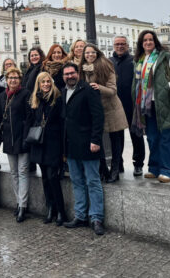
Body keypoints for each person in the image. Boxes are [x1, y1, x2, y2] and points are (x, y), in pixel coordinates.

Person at [131, 30, 170, 184]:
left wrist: (166, 87)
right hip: (147, 106)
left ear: (155, 42)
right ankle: (154, 168)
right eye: (145, 40)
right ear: (141, 44)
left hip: (165, 103)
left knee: (167, 139)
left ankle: (168, 170)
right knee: (152, 138)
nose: (148, 42)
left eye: (150, 39)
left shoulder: (165, 57)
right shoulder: (140, 60)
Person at [61, 62, 106, 235]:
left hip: (88, 144)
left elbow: (98, 116)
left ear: (77, 73)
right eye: (66, 74)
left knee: (93, 182)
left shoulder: (89, 90)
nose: (69, 76)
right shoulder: (63, 92)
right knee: (77, 182)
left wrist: (96, 140)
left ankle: (96, 218)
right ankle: (80, 216)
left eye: (72, 73)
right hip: (71, 146)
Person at [81, 44, 128, 183]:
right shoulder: (82, 69)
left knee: (115, 140)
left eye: (92, 52)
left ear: (97, 53)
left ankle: (115, 169)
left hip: (111, 108)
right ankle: (103, 169)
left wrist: (98, 87)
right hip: (95, 110)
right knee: (97, 139)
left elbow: (113, 90)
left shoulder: (106, 66)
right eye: (87, 53)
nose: (90, 55)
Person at [28, 72, 66, 226]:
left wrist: (64, 147)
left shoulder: (57, 99)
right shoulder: (35, 100)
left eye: (47, 81)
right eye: (42, 82)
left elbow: (63, 122)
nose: (45, 84)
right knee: (44, 177)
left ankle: (61, 211)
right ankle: (50, 209)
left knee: (52, 177)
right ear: (38, 83)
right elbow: (31, 120)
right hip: (39, 143)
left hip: (53, 143)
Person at [0, 67, 31, 222]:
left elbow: (29, 118)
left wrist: (25, 138)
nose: (13, 80)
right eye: (10, 78)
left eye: (16, 77)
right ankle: (19, 202)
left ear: (20, 79)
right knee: (14, 173)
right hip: (9, 139)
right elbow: (0, 119)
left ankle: (23, 206)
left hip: (22, 138)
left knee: (23, 171)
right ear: (6, 80)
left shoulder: (25, 94)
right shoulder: (2, 96)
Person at [110, 36, 146, 177]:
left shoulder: (135, 61)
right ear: (113, 45)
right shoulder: (109, 62)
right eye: (117, 44)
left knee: (136, 135)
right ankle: (118, 163)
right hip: (115, 105)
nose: (120, 46)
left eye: (122, 44)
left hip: (132, 104)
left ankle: (138, 164)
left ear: (127, 45)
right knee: (116, 137)